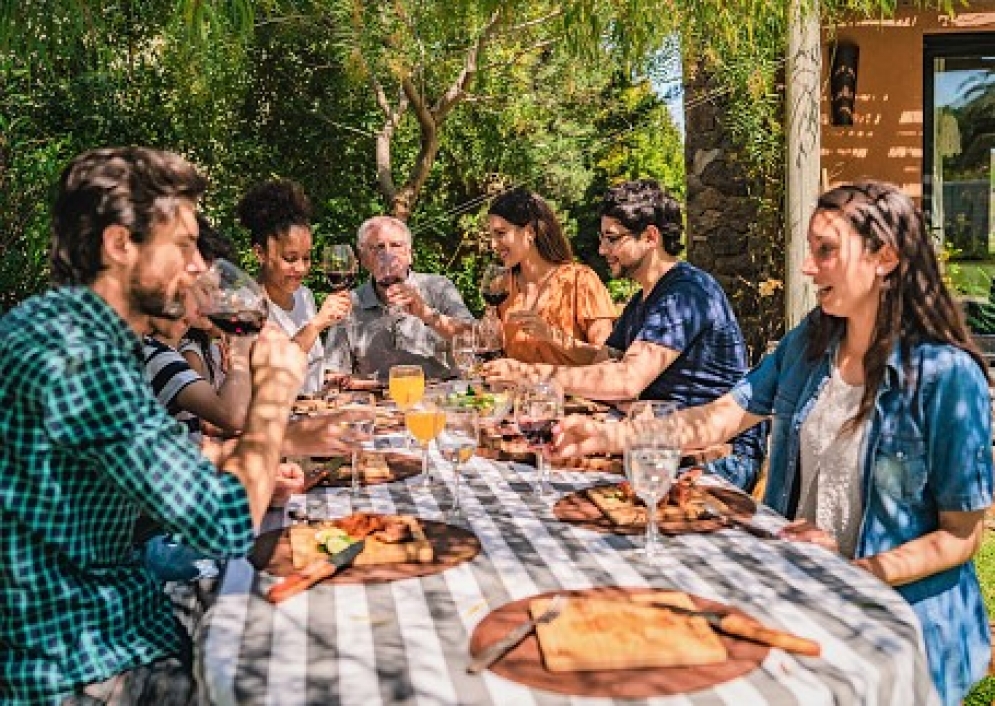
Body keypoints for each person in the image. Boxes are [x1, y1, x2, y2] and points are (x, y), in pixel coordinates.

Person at [554, 181, 993, 705]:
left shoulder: (946, 376)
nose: (809, 267)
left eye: (826, 251)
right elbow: (719, 417)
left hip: (899, 627)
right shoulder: (812, 341)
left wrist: (856, 573)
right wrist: (608, 434)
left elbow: (963, 536)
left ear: (885, 257)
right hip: (802, 592)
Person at [0, 147, 308, 703]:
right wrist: (275, 398)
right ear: (121, 244)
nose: (198, 267)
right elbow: (224, 522)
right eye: (185, 246)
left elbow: (172, 470)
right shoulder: (76, 356)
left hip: (121, 624)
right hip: (77, 664)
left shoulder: (82, 337)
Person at [484, 179, 766, 490]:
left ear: (650, 237)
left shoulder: (686, 293)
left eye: (612, 239)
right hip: (657, 441)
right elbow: (603, 365)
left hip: (715, 458)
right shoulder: (641, 300)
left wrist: (530, 374)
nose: (602, 250)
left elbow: (626, 379)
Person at [325, 215, 475, 379]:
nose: (388, 255)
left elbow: (474, 339)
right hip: (376, 401)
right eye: (378, 247)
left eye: (396, 246)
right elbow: (335, 373)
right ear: (363, 260)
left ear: (410, 255)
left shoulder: (438, 287)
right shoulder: (350, 303)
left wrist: (426, 314)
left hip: (439, 398)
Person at [238, 178, 351, 394]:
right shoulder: (245, 305)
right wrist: (317, 324)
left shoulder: (304, 296)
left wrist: (326, 381)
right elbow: (272, 373)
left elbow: (306, 371)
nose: (300, 268)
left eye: (306, 258)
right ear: (260, 253)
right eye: (290, 258)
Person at [486, 187, 616, 364]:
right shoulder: (501, 286)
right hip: (515, 392)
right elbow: (489, 346)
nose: (493, 244)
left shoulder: (581, 281)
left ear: (530, 232)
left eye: (501, 233)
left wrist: (551, 335)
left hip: (570, 392)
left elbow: (607, 361)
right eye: (491, 235)